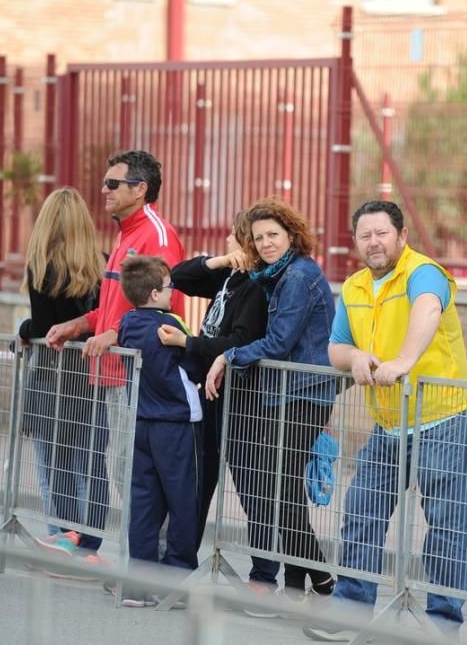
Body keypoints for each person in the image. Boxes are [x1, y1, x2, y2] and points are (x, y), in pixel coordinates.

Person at [303, 200, 467, 642]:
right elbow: (335, 348)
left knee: (444, 524)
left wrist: (404, 359)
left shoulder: (424, 273)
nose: (373, 242)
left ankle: (442, 623)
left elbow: (427, 309)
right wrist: (357, 356)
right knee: (361, 510)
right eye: (365, 235)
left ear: (401, 236)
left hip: (444, 417)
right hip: (388, 424)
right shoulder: (357, 287)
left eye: (382, 233)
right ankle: (351, 613)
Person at [45, 150, 186, 558]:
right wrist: (81, 324)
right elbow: (115, 309)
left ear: (140, 189)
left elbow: (162, 308)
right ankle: (131, 563)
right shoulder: (125, 232)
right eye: (105, 182)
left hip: (142, 376)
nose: (103, 190)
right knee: (126, 472)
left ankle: (150, 570)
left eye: (113, 183)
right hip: (114, 373)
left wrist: (111, 332)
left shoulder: (156, 235)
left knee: (141, 476)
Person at [204, 198, 337, 604]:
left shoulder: (296, 277)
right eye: (259, 237)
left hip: (304, 395)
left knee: (278, 490)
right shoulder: (277, 275)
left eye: (273, 235)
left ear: (291, 235)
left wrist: (228, 355)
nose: (265, 243)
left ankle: (324, 579)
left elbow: (279, 342)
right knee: (284, 491)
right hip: (286, 394)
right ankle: (298, 587)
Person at [157, 210, 279, 597]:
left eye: (232, 240)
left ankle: (263, 577)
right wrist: (222, 261)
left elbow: (240, 341)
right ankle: (176, 569)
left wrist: (187, 344)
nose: (227, 242)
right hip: (206, 398)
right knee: (195, 484)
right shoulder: (231, 276)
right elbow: (179, 275)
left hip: (241, 403)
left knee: (253, 489)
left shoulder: (257, 289)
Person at [18, 187, 103, 551]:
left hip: (52, 377)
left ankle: (59, 536)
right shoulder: (101, 264)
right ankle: (87, 544)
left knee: (54, 466)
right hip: (91, 377)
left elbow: (40, 329)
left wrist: (23, 329)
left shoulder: (42, 267)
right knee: (89, 464)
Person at [115, 255, 203, 607]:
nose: (173, 292)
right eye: (169, 287)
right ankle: (176, 582)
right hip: (177, 423)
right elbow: (194, 362)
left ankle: (137, 584)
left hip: (141, 421)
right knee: (183, 503)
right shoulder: (171, 323)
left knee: (143, 503)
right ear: (154, 293)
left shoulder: (126, 322)